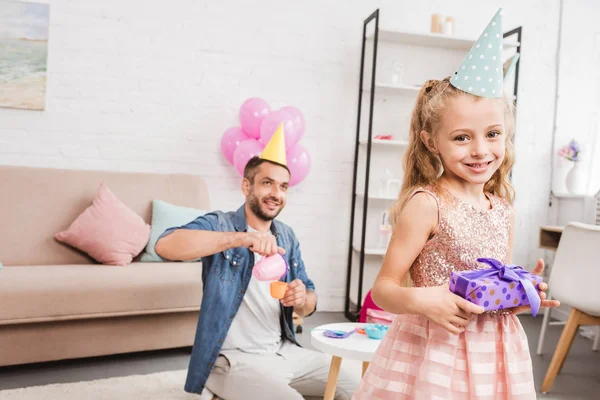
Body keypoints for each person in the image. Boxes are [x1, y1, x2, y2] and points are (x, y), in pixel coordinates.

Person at [353, 9, 560, 399]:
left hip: (495, 353)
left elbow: (488, 289)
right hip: (432, 349)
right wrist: (421, 299)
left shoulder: (503, 209)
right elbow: (383, 290)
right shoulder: (427, 203)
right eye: (462, 138)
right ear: (432, 141)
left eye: (493, 134)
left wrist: (516, 295)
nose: (481, 150)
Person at [156, 126, 358, 400]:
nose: (276, 193)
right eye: (267, 183)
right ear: (246, 185)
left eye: (283, 186)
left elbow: (309, 301)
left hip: (283, 351)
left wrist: (301, 298)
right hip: (233, 359)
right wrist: (238, 239)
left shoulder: (286, 235)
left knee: (357, 389)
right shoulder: (221, 224)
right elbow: (165, 245)